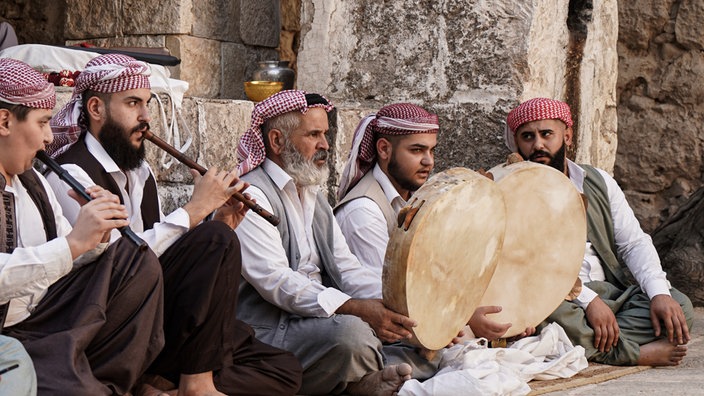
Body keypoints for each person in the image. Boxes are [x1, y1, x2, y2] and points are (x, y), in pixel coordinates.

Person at [45, 54, 302, 396]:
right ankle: (193, 384)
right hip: (112, 324)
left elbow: (162, 262)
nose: (145, 118)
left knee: (285, 370)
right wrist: (196, 212)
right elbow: (122, 267)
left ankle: (164, 386)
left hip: (154, 318)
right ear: (96, 108)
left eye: (147, 104)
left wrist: (221, 219)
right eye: (133, 103)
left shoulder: (140, 172)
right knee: (214, 240)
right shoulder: (71, 174)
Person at [234, 90, 451, 396]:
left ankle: (358, 378)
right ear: (276, 142)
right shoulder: (252, 196)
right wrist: (355, 309)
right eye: (313, 134)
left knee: (412, 336)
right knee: (352, 335)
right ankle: (356, 384)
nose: (324, 144)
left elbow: (347, 268)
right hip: (268, 328)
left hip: (317, 320)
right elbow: (277, 282)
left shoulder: (313, 197)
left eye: (325, 134)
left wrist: (399, 310)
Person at [0, 57, 164, 394]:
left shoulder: (34, 183)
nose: (49, 137)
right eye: (43, 122)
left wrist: (97, 239)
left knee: (136, 261)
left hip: (45, 319)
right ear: (4, 120)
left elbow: (65, 258)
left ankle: (107, 380)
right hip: (8, 334)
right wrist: (74, 243)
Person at [504, 97, 694, 366]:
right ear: (517, 144)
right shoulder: (511, 193)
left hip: (613, 296)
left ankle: (581, 343)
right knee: (539, 316)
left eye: (547, 134)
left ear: (567, 136)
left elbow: (633, 243)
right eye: (527, 137)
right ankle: (631, 353)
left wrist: (659, 294)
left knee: (679, 306)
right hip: (556, 299)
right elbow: (529, 266)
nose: (538, 145)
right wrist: (589, 302)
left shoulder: (599, 182)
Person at [334, 103, 535, 342]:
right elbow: (394, 299)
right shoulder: (363, 211)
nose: (428, 162)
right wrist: (466, 316)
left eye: (431, 151)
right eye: (417, 151)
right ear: (384, 149)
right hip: (389, 337)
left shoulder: (416, 198)